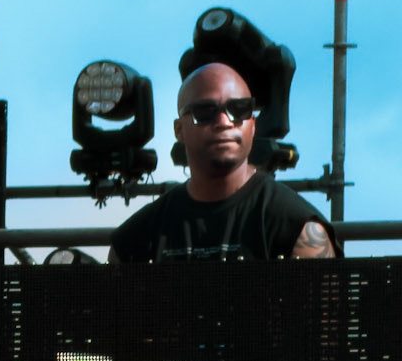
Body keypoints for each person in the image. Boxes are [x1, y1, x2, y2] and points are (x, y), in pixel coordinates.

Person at [109, 61, 335, 262]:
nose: (224, 121)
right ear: (179, 130)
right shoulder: (133, 241)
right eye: (204, 112)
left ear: (253, 125)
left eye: (239, 109)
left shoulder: (299, 231)